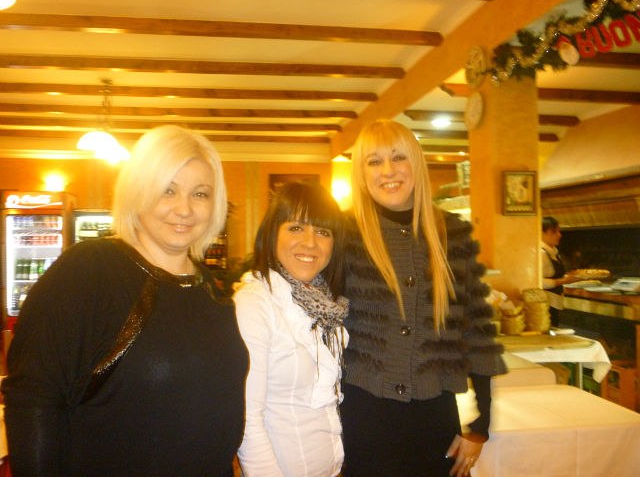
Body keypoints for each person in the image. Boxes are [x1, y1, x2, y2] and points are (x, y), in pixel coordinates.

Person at [1, 125, 249, 477]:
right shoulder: (90, 270)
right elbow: (33, 397)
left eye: (200, 194)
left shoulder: (209, 289)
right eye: (168, 190)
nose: (184, 209)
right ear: (138, 192)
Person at [340, 120, 506, 477]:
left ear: (416, 163)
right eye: (374, 161)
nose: (388, 171)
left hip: (434, 418)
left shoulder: (452, 234)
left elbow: (477, 331)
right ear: (361, 175)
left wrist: (481, 424)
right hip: (361, 418)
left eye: (398, 157)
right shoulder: (343, 235)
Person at [233, 181, 349, 477]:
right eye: (296, 228)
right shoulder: (255, 303)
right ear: (273, 234)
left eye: (323, 231)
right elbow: (247, 419)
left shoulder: (325, 304)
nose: (310, 243)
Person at [541, 216, 579, 327]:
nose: (559, 235)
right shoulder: (541, 253)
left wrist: (571, 276)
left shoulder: (553, 251)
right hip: (544, 305)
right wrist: (563, 281)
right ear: (542, 233)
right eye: (554, 232)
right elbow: (538, 281)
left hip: (554, 302)